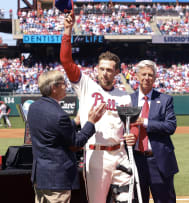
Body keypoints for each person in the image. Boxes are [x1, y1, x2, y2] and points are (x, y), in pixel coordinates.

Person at [61, 13, 134, 202]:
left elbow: (130, 124)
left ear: (117, 72)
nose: (104, 73)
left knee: (127, 200)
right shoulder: (86, 86)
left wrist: (132, 133)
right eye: (101, 69)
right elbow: (66, 62)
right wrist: (67, 30)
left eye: (109, 70)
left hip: (120, 154)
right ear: (96, 69)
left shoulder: (124, 96)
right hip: (96, 155)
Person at [27, 70, 106, 203]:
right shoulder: (59, 115)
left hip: (40, 176)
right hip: (57, 180)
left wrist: (75, 122)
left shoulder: (34, 107)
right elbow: (76, 143)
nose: (66, 87)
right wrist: (91, 122)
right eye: (63, 83)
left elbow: (52, 129)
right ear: (54, 87)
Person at [129, 60, 178, 203]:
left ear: (155, 78)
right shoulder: (128, 100)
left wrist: (145, 122)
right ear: (137, 76)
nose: (146, 77)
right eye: (143, 74)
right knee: (137, 200)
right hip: (136, 160)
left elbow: (170, 126)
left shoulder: (165, 100)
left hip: (159, 161)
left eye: (150, 75)